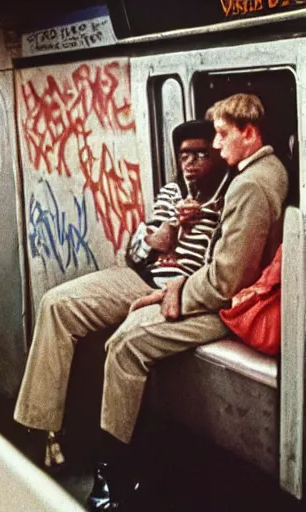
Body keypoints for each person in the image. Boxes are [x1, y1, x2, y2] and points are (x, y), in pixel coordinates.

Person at [14, 96, 287, 509]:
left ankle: (114, 472)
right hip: (144, 275)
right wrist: (154, 239)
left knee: (125, 343)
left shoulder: (234, 188)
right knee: (56, 303)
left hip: (192, 288)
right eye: (186, 154)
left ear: (249, 134)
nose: (204, 154)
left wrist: (176, 285)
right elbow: (133, 252)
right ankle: (41, 430)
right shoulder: (173, 192)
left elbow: (225, 275)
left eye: (214, 141)